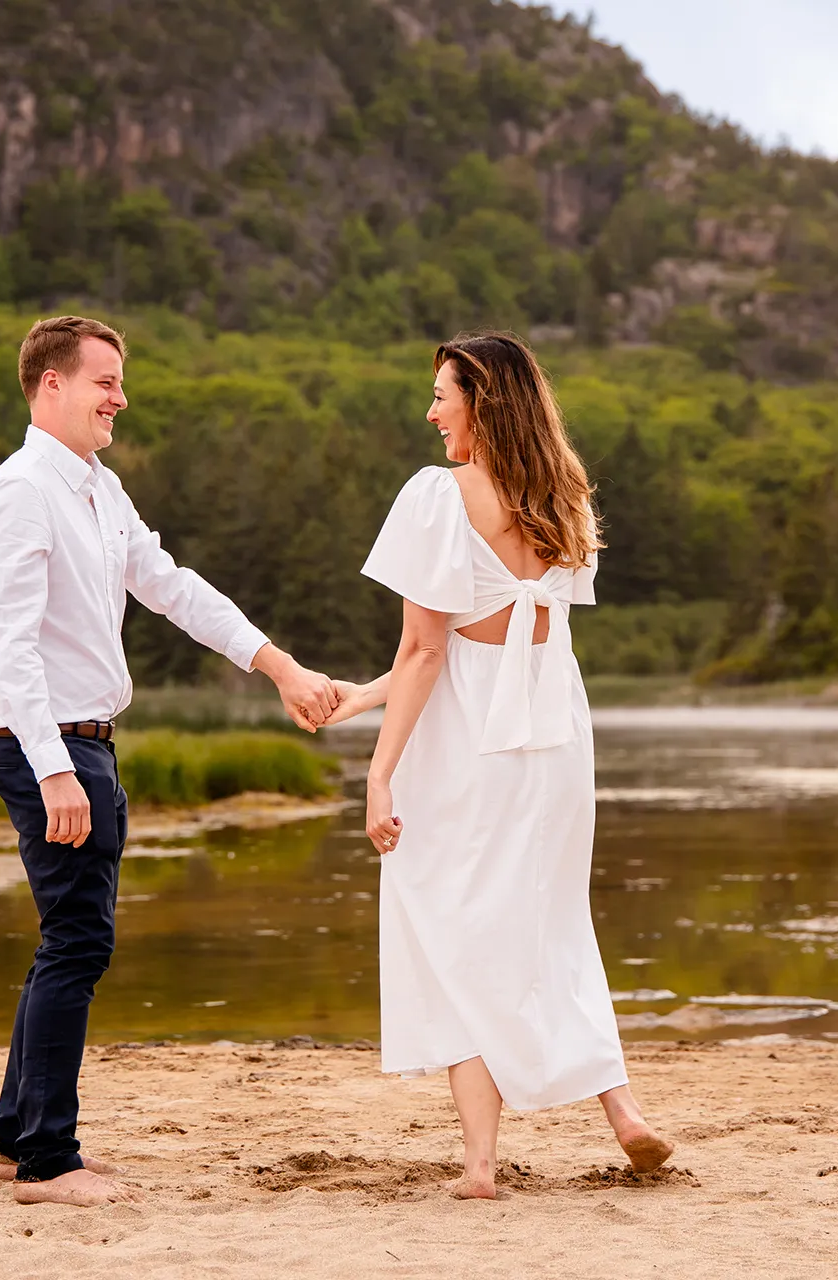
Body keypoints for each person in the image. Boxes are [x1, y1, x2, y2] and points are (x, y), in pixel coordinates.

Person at [0, 315, 340, 1207]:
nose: (120, 398)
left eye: (120, 382)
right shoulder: (19, 491)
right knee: (78, 943)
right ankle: (48, 1163)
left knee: (67, 941)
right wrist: (54, 768)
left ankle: (18, 1144)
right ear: (50, 384)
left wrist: (278, 665)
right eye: (105, 381)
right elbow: (9, 647)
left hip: (84, 743)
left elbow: (171, 586)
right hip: (45, 743)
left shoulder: (100, 488)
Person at [324, 331, 675, 1199]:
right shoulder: (559, 497)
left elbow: (429, 651)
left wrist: (377, 772)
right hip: (552, 741)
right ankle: (622, 1112)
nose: (432, 409)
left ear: (482, 403)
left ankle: (480, 1165)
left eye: (443, 392)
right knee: (550, 923)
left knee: (449, 930)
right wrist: (356, 696)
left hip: (470, 748)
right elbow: (500, 636)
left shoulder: (439, 497)